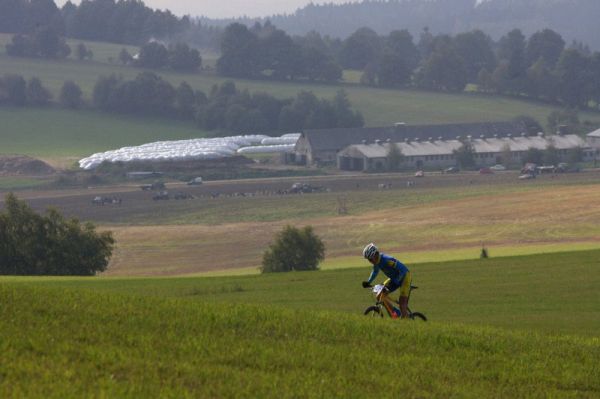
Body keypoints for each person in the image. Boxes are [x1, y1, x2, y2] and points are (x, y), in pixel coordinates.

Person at [361, 243, 411, 319]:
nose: (370, 261)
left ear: (375, 255)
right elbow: (375, 272)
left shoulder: (386, 259)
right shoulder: (376, 262)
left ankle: (407, 322)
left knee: (402, 303)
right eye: (368, 260)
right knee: (379, 294)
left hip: (405, 277)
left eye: (370, 259)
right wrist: (368, 282)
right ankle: (395, 313)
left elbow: (403, 270)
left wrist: (396, 281)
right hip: (394, 278)